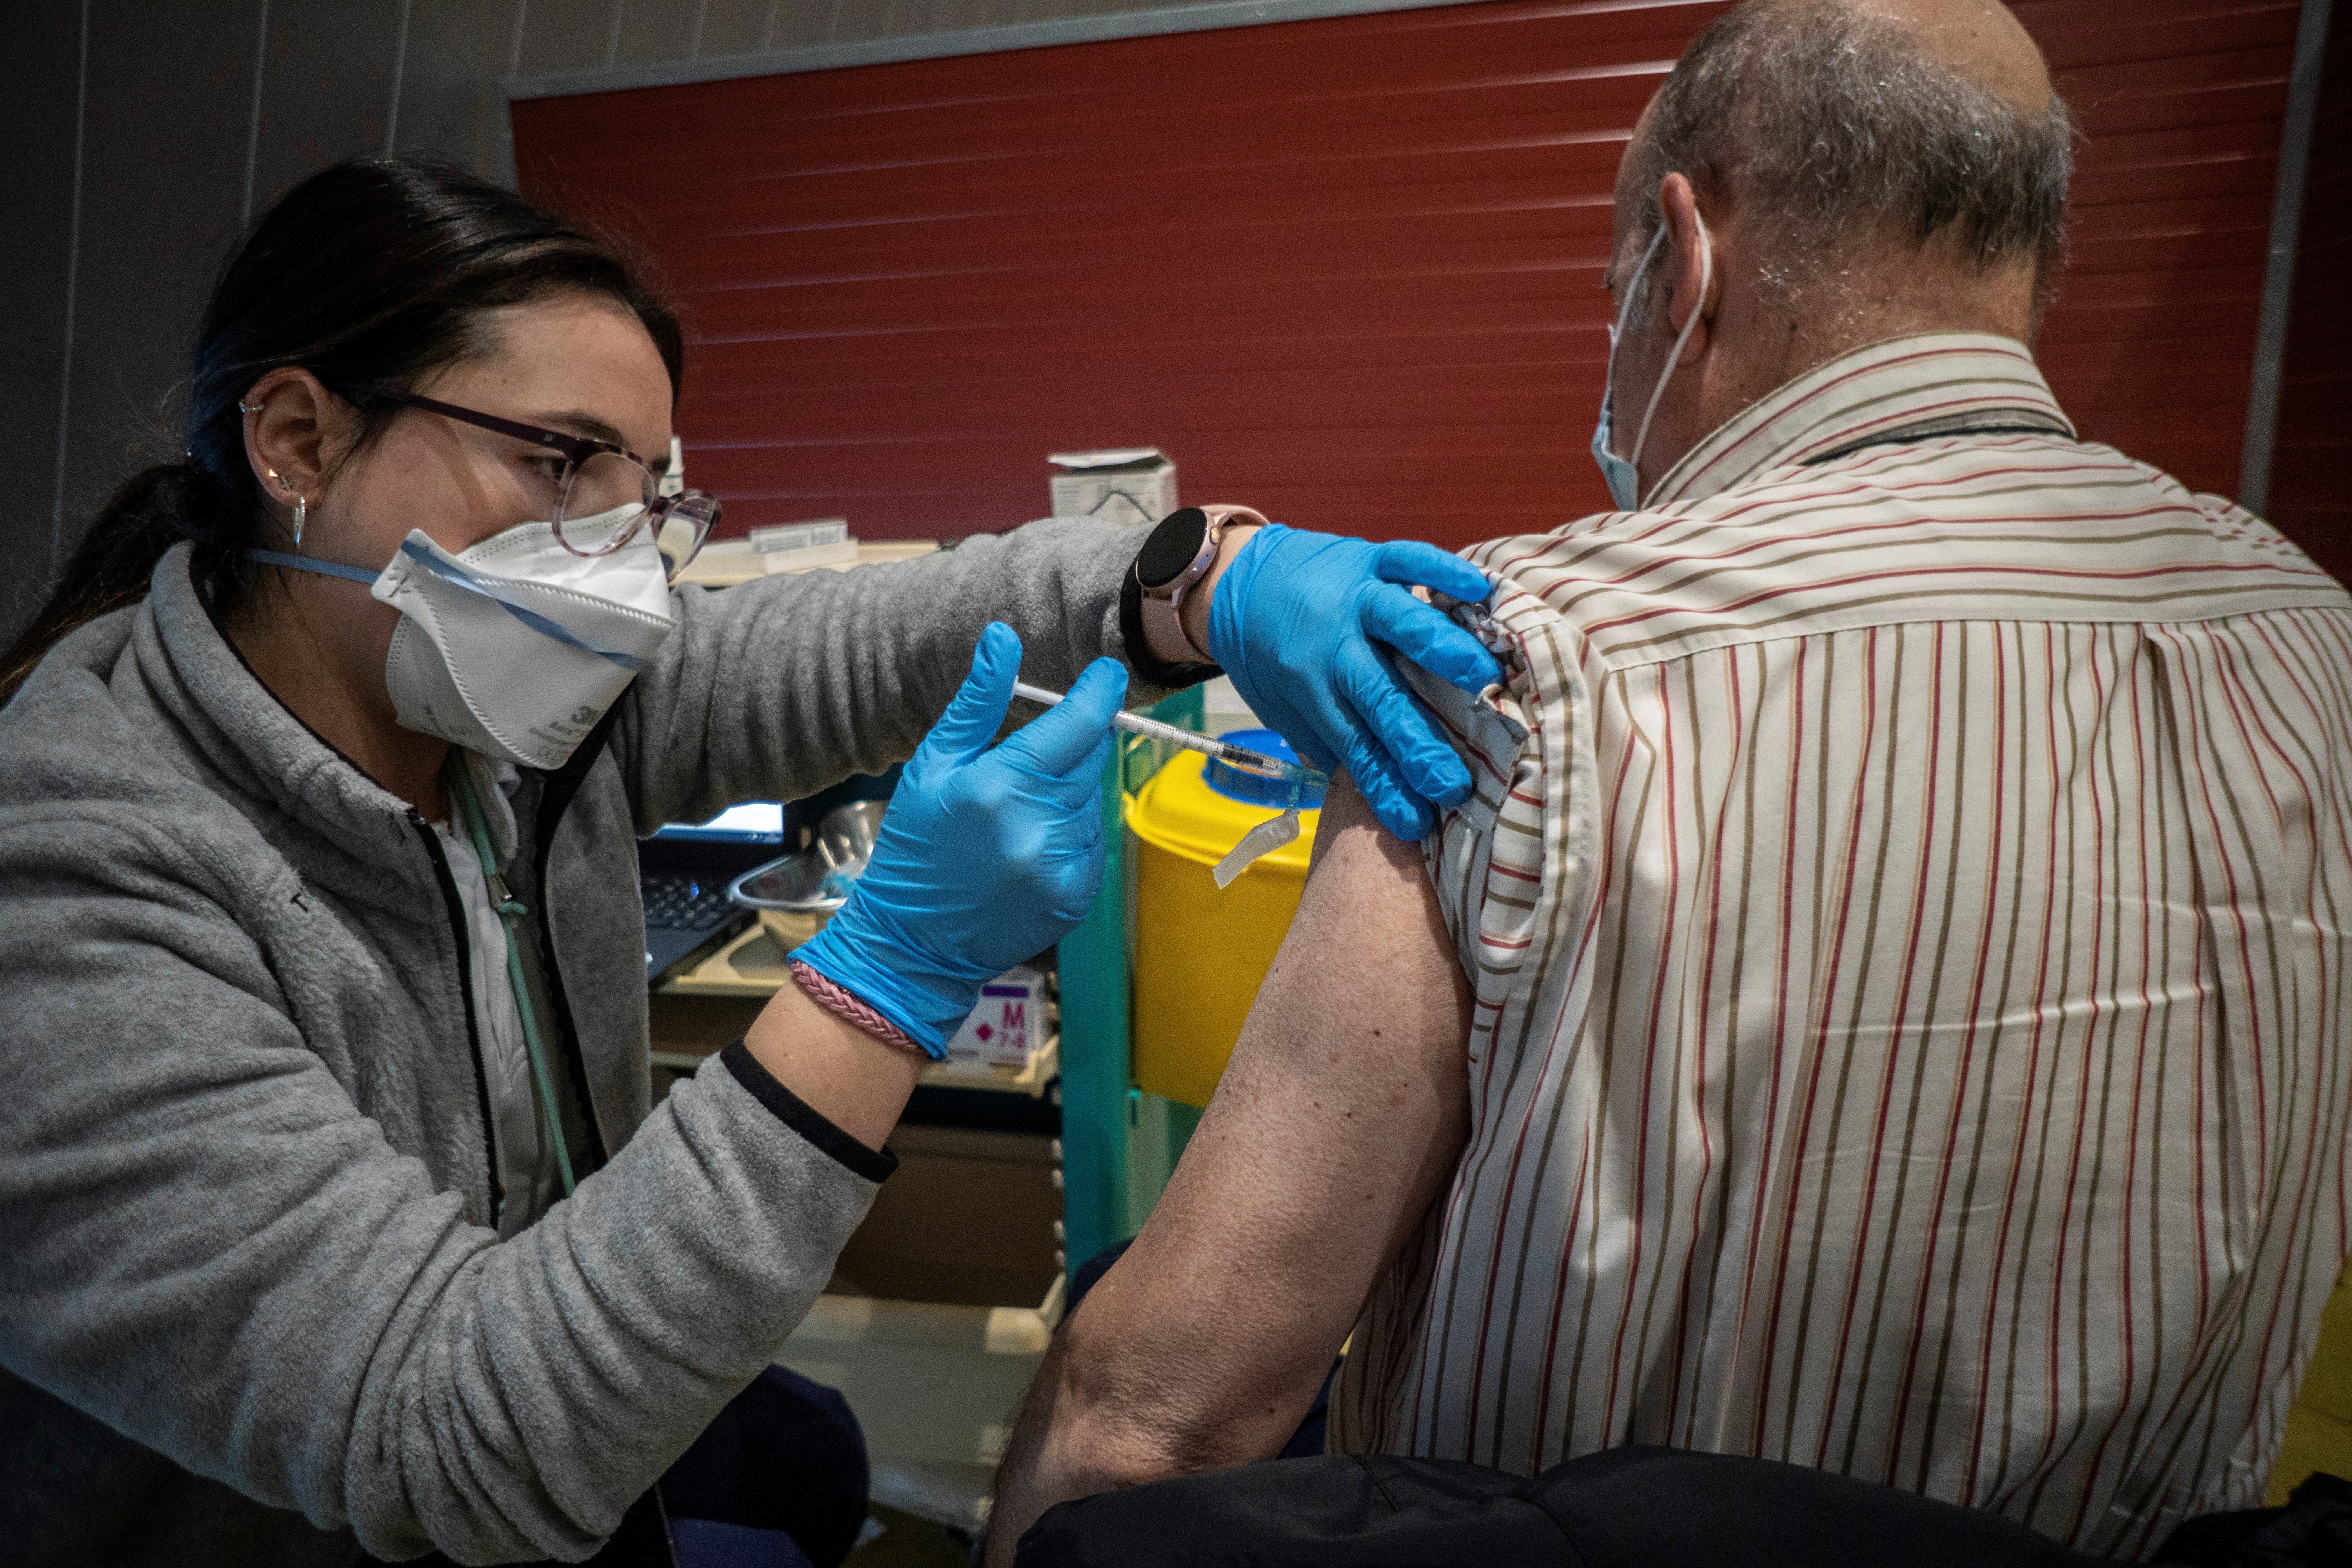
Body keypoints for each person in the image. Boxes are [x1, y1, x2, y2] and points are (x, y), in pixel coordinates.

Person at [988, 0, 2352, 1560]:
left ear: (1683, 261)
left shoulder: (1532, 659)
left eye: (1611, 294)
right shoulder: (2314, 634)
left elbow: (1154, 1414)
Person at [0, 157, 1501, 1565]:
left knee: (804, 1459)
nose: (620, 570)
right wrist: (882, 978)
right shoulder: (71, 889)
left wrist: (1201, 581)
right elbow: (453, 1441)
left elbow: (875, 637)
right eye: (561, 464)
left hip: (561, 1447)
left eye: (645, 495)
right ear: (297, 442)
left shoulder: (497, 709)